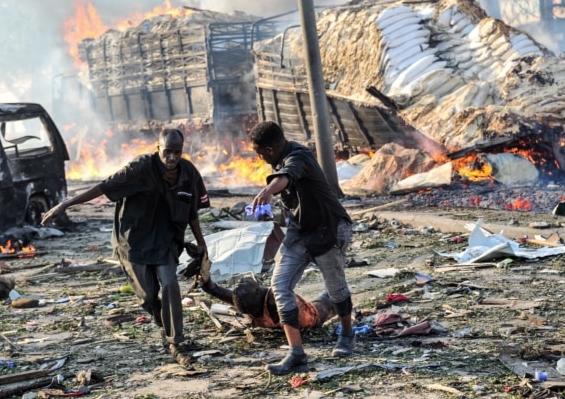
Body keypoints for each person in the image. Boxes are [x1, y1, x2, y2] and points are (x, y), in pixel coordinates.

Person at [41, 128, 209, 368]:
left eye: (177, 152)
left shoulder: (189, 173)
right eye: (167, 152)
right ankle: (163, 326)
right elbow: (103, 187)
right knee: (149, 297)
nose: (172, 158)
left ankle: (175, 341)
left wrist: (202, 245)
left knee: (170, 283)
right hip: (134, 242)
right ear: (158, 149)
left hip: (166, 241)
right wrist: (66, 204)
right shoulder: (139, 168)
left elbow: (192, 212)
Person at [247, 121, 354, 376]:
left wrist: (268, 190)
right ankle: (296, 353)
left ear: (271, 149)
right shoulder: (278, 161)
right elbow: (292, 203)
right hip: (300, 233)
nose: (258, 157)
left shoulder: (298, 156)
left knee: (336, 288)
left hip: (329, 229)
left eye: (259, 152)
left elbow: (287, 177)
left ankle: (348, 335)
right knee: (279, 286)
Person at [183, 242, 335, 329]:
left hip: (294, 320)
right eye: (243, 286)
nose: (241, 283)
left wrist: (202, 267)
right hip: (311, 318)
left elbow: (214, 290)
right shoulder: (273, 298)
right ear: (256, 291)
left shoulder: (250, 307)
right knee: (330, 297)